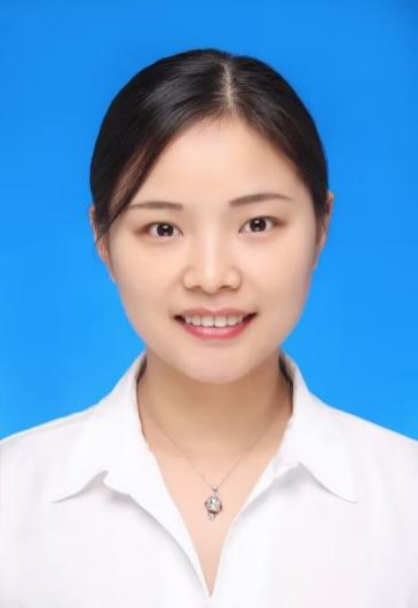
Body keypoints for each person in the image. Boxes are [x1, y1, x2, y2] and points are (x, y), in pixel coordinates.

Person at [1, 48, 417, 608]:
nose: (213, 276)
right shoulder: (12, 500)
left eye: (257, 223)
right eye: (164, 228)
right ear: (102, 237)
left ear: (322, 225)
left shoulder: (406, 498)